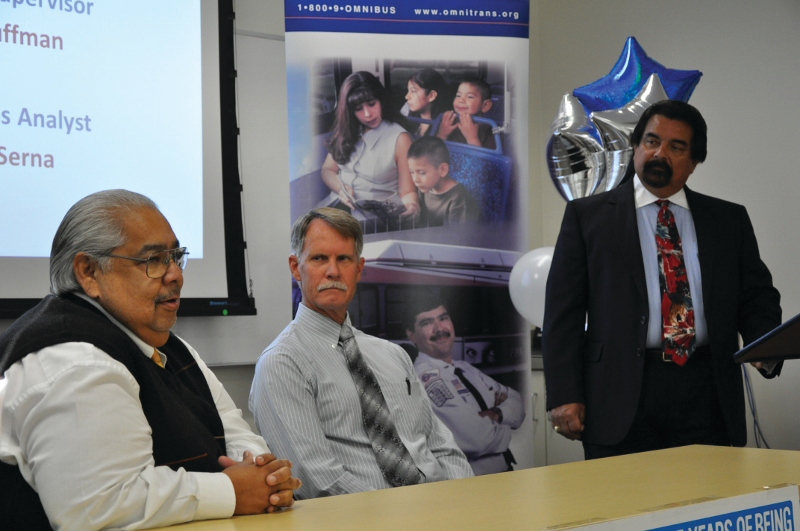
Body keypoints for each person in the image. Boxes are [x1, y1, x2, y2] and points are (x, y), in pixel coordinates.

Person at [0, 190, 301, 530]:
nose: (176, 275)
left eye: (176, 256)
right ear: (88, 272)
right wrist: (233, 490)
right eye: (154, 260)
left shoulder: (173, 349)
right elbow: (97, 508)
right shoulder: (73, 361)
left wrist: (263, 475)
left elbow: (236, 433)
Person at [542, 100, 782, 459]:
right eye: (651, 141)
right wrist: (564, 393)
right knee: (624, 507)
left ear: (694, 162)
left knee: (705, 505)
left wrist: (768, 349)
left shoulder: (728, 220)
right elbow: (564, 314)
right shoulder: (587, 218)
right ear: (636, 148)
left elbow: (756, 297)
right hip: (620, 390)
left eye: (676, 147)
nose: (659, 153)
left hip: (707, 389)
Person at [250, 208, 472, 499]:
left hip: (442, 510)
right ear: (295, 267)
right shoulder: (282, 363)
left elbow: (442, 447)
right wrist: (403, 515)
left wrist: (463, 501)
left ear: (359, 268)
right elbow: (316, 479)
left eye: (344, 259)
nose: (333, 271)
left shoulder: (393, 355)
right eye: (319, 258)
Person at [405, 296, 524, 475]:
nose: (440, 328)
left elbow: (517, 401)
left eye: (443, 318)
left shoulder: (465, 368)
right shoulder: (426, 379)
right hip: (473, 483)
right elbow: (477, 439)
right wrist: (507, 425)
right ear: (411, 335)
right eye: (427, 323)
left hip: (505, 475)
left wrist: (496, 413)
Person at [320, 71, 419, 220]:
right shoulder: (347, 131)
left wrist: (412, 206)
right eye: (358, 109)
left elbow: (407, 192)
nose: (367, 114)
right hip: (337, 204)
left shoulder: (400, 139)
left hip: (372, 218)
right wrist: (342, 189)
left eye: (372, 104)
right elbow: (327, 170)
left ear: (381, 101)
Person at [407, 136, 479, 226]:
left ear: (442, 170)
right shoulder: (424, 188)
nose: (415, 179)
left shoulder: (458, 199)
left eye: (421, 173)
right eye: (412, 172)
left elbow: (458, 236)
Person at [436, 76, 496, 150]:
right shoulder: (449, 123)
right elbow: (433, 155)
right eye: (458, 95)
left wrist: (472, 138)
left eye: (470, 97)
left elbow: (485, 161)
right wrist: (442, 134)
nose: (461, 100)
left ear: (485, 106)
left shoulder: (491, 131)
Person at [404, 68, 448, 137]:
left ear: (431, 96)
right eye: (408, 91)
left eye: (413, 91)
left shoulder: (445, 125)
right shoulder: (408, 119)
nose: (407, 96)